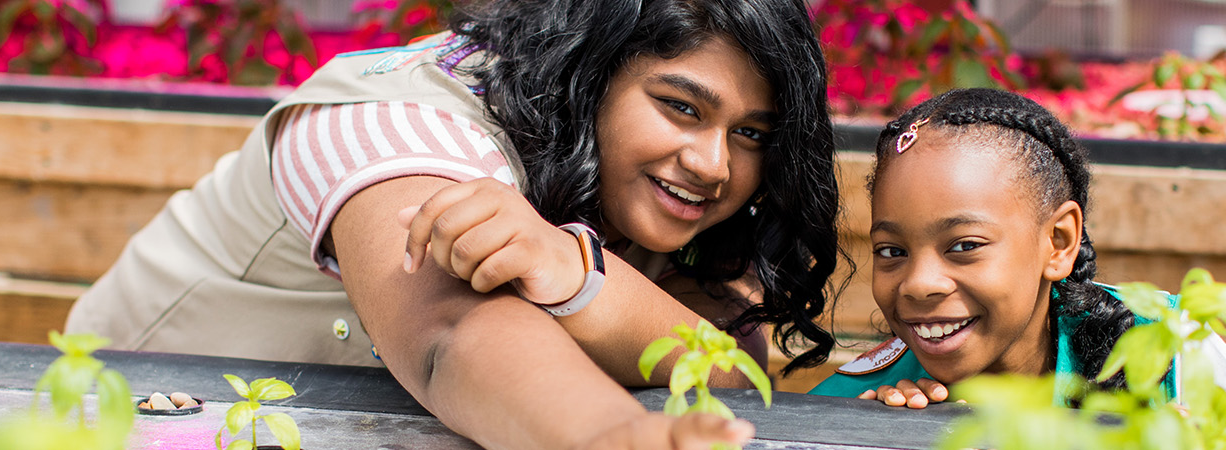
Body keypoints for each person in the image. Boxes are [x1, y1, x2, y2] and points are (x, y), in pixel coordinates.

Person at [62, 0, 842, 446]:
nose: (713, 164)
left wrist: (577, 278)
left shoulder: (683, 196)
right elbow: (449, 335)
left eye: (752, 134)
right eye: (680, 107)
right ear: (591, 74)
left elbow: (731, 370)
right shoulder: (395, 124)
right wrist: (611, 437)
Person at [804, 88, 1226, 408]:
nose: (919, 284)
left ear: (1058, 242)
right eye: (891, 251)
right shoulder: (854, 402)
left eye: (964, 245)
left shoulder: (1172, 354)